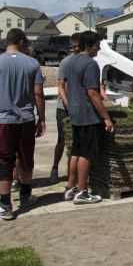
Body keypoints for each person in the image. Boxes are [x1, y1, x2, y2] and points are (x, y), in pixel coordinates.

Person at [0, 28, 45, 220]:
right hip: (26, 120)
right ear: (22, 41)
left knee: (4, 160)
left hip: (3, 121)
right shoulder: (32, 63)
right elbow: (38, 94)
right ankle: (25, 196)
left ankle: (5, 204)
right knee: (25, 158)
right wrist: (41, 117)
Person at [64, 31, 115, 204]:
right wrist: (106, 117)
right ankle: (82, 191)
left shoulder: (72, 61)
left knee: (76, 151)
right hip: (88, 115)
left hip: (75, 113)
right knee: (86, 153)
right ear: (88, 46)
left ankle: (71, 187)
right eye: (97, 46)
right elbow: (92, 93)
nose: (99, 49)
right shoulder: (91, 64)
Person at [50, 32, 81, 186]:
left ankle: (73, 174)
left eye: (78, 47)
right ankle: (55, 168)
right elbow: (61, 86)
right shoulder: (66, 63)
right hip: (64, 108)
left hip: (79, 108)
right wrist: (67, 104)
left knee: (76, 142)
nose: (75, 50)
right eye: (73, 47)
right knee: (62, 140)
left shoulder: (86, 61)